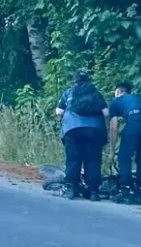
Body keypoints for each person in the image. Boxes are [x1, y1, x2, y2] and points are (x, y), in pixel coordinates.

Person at [55, 70, 108, 201]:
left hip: (72, 129)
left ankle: (71, 189)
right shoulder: (95, 93)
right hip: (95, 130)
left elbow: (59, 112)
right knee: (93, 160)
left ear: (75, 80)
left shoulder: (69, 92)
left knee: (73, 159)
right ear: (88, 80)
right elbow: (106, 113)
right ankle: (94, 192)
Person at [106, 81, 141, 204]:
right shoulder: (139, 98)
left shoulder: (116, 101)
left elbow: (113, 127)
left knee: (124, 157)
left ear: (118, 91)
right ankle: (140, 191)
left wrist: (112, 151)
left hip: (135, 122)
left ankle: (125, 191)